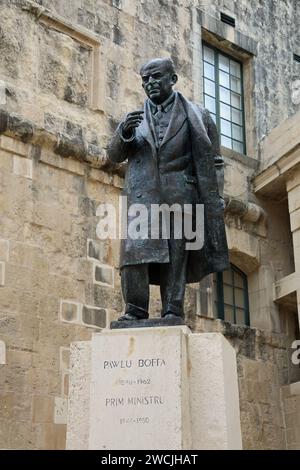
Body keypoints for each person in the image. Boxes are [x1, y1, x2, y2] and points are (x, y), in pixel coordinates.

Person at [107, 58, 229, 322]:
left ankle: (172, 310)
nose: (150, 83)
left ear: (172, 79)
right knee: (134, 256)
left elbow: (215, 162)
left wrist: (216, 197)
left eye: (156, 77)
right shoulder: (133, 120)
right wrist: (123, 133)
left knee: (176, 257)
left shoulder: (198, 116)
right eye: (145, 79)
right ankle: (134, 309)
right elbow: (114, 156)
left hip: (181, 196)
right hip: (141, 199)